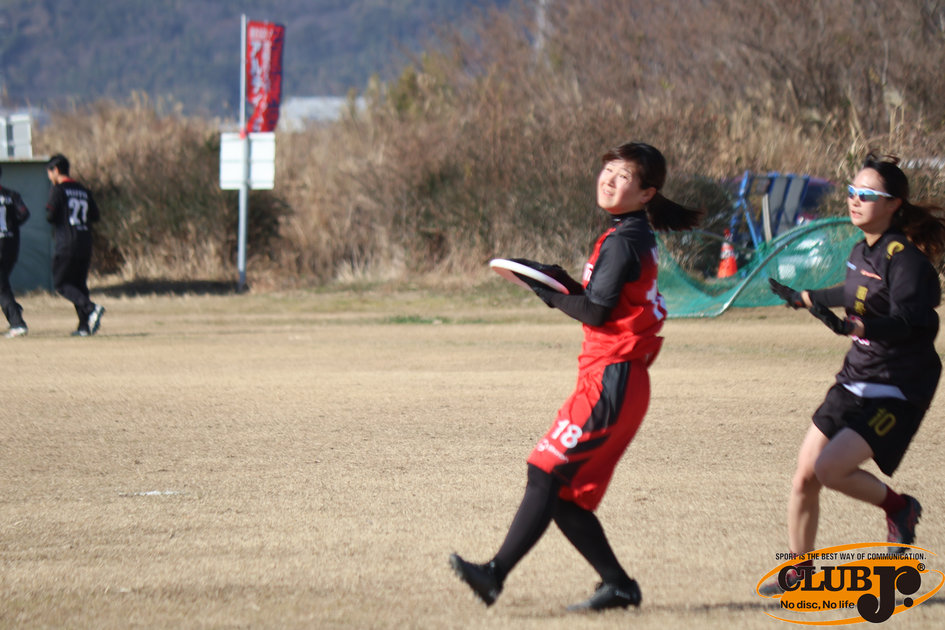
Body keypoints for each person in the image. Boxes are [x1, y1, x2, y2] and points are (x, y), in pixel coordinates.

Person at [449, 142, 702, 611]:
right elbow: (599, 298)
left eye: (623, 176)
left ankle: (494, 575)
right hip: (612, 377)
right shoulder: (629, 234)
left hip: (613, 380)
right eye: (608, 170)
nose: (609, 180)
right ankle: (618, 585)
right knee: (564, 496)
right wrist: (556, 279)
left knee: (544, 471)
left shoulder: (624, 240)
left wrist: (545, 292)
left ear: (646, 193)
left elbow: (596, 311)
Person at [763, 153, 945, 594]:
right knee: (804, 476)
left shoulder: (908, 262)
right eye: (851, 191)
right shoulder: (862, 250)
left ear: (893, 203)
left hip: (896, 388)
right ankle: (800, 572)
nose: (854, 199)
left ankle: (899, 508)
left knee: (829, 468)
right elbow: (853, 290)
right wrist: (805, 297)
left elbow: (911, 321)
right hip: (854, 379)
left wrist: (858, 327)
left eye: (866, 193)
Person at [45, 153, 105, 336]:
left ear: (55, 170)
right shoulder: (83, 190)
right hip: (85, 242)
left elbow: (50, 215)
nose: (49, 176)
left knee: (61, 283)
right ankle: (84, 327)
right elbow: (95, 216)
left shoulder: (58, 190)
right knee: (79, 285)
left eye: (49, 172)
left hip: (67, 242)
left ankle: (91, 308)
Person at [0, 164, 31, 337]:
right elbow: (24, 213)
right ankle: (15, 310)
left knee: (1, 287)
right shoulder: (12, 195)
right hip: (11, 245)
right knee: (2, 283)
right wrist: (12, 226)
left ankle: (17, 323)